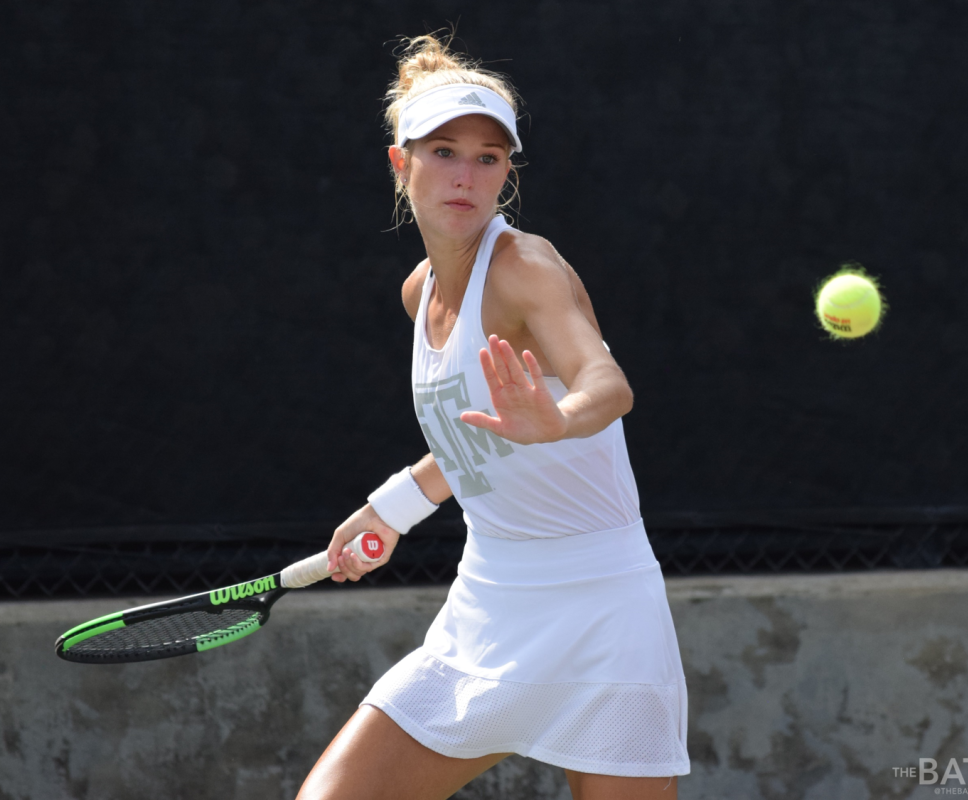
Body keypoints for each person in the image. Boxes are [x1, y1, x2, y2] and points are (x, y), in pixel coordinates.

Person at [294, 34, 689, 800]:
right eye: (443, 151)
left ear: (508, 171)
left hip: (604, 605)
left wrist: (562, 419)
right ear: (399, 164)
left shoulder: (527, 267)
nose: (466, 175)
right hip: (491, 601)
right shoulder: (419, 293)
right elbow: (473, 438)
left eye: (487, 157)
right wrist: (393, 508)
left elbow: (606, 384)